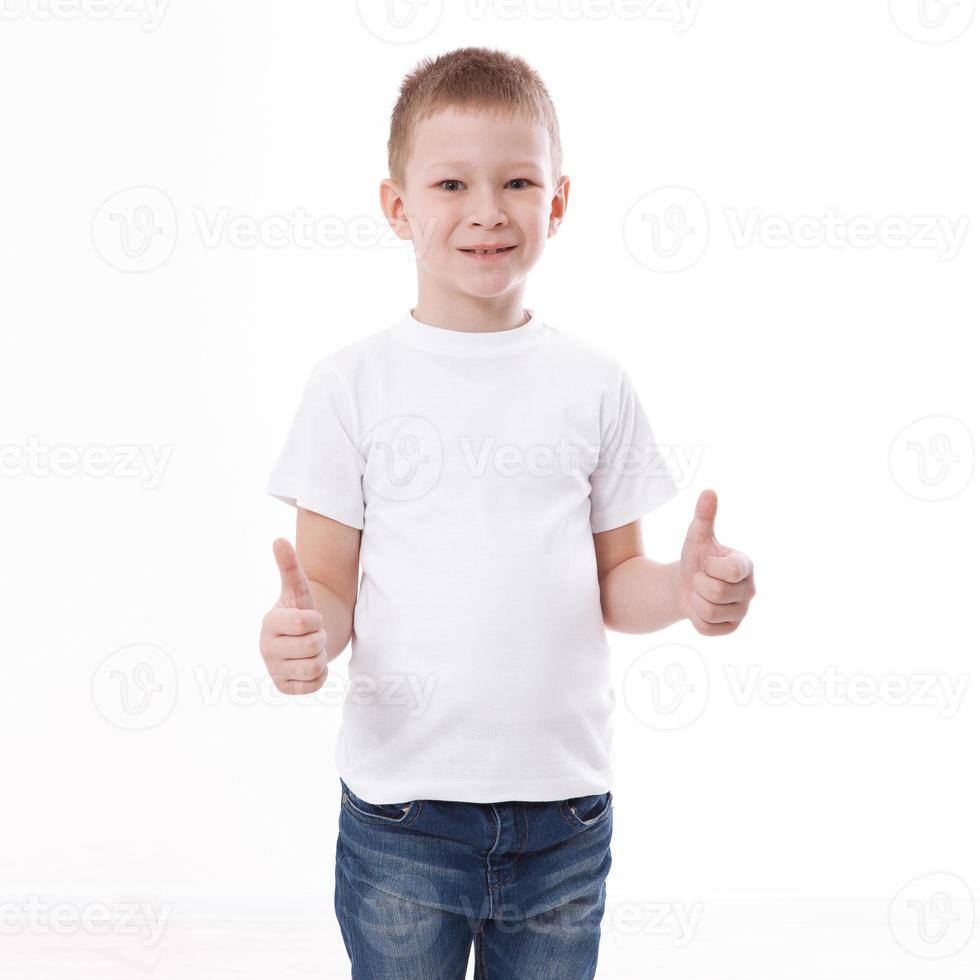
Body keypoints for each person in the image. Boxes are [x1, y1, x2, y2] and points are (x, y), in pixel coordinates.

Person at [260, 45, 755, 980]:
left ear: (557, 204)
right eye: (451, 182)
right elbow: (325, 587)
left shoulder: (593, 384)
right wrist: (302, 635)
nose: (487, 209)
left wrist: (686, 592)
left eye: (518, 181)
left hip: (564, 819)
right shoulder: (351, 386)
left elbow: (618, 582)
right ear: (398, 206)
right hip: (403, 819)